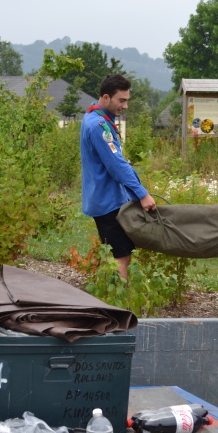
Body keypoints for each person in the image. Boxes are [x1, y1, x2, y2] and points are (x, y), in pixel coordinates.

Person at [80, 74, 156, 280]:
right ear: (106, 98)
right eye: (121, 100)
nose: (126, 106)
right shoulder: (99, 127)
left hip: (106, 199)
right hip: (107, 202)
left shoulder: (95, 118)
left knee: (114, 253)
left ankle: (111, 300)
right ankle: (118, 307)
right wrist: (142, 194)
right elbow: (116, 165)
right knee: (120, 255)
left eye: (127, 100)